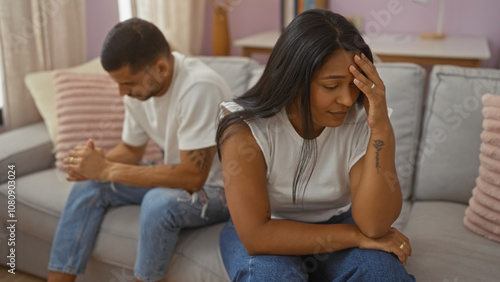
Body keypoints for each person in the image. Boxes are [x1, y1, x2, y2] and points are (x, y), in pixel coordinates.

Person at [216, 9, 416, 281]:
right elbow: (257, 236)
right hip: (270, 228)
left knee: (384, 274)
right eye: (331, 86)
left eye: (353, 84)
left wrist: (381, 127)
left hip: (339, 220)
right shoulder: (244, 128)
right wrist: (355, 236)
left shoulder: (363, 119)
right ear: (294, 81)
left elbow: (374, 225)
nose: (347, 99)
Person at [48, 18, 231, 282]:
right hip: (180, 176)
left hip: (220, 190)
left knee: (158, 203)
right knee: (90, 185)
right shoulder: (140, 91)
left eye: (128, 83)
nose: (122, 92)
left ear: (160, 68)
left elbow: (193, 177)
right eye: (117, 83)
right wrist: (93, 165)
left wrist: (107, 169)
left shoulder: (199, 87)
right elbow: (131, 150)